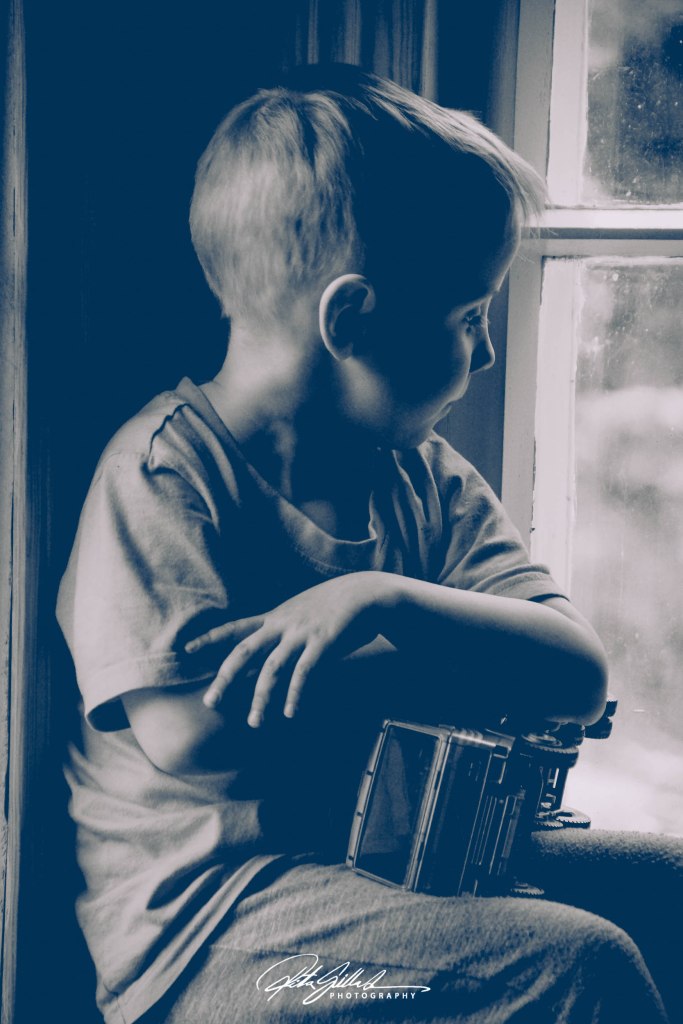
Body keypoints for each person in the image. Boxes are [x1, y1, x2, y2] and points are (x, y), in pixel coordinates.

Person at [57, 66, 681, 1024]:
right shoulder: (162, 474)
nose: (484, 352)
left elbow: (576, 674)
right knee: (579, 966)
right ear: (349, 320)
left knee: (667, 886)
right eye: (469, 318)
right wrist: (449, 670)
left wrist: (380, 601)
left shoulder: (422, 476)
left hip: (401, 866)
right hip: (220, 938)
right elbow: (189, 734)